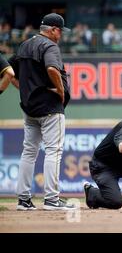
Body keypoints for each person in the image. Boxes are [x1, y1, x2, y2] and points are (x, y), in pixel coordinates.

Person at [11, 13, 72, 210]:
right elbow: (53, 69)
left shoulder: (25, 45)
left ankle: (23, 200)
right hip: (49, 107)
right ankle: (52, 199)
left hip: (30, 108)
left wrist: (22, 87)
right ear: (53, 30)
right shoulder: (49, 45)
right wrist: (61, 91)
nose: (60, 35)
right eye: (60, 31)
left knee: (29, 152)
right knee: (54, 151)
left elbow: (9, 71)